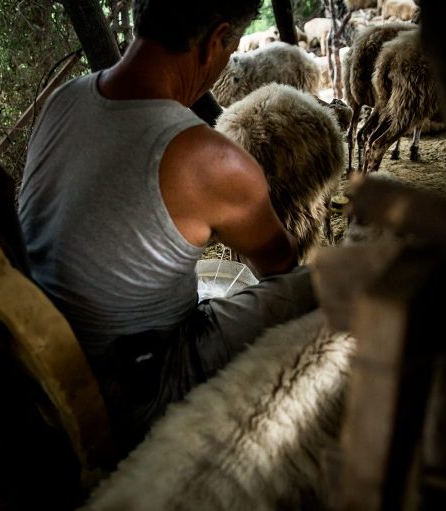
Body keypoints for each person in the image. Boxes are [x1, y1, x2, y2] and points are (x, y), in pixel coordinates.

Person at [18, 0, 318, 455]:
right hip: (134, 393)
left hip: (36, 371)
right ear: (217, 39)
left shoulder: (67, 98)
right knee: (318, 286)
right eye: (231, 47)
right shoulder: (210, 158)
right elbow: (280, 268)